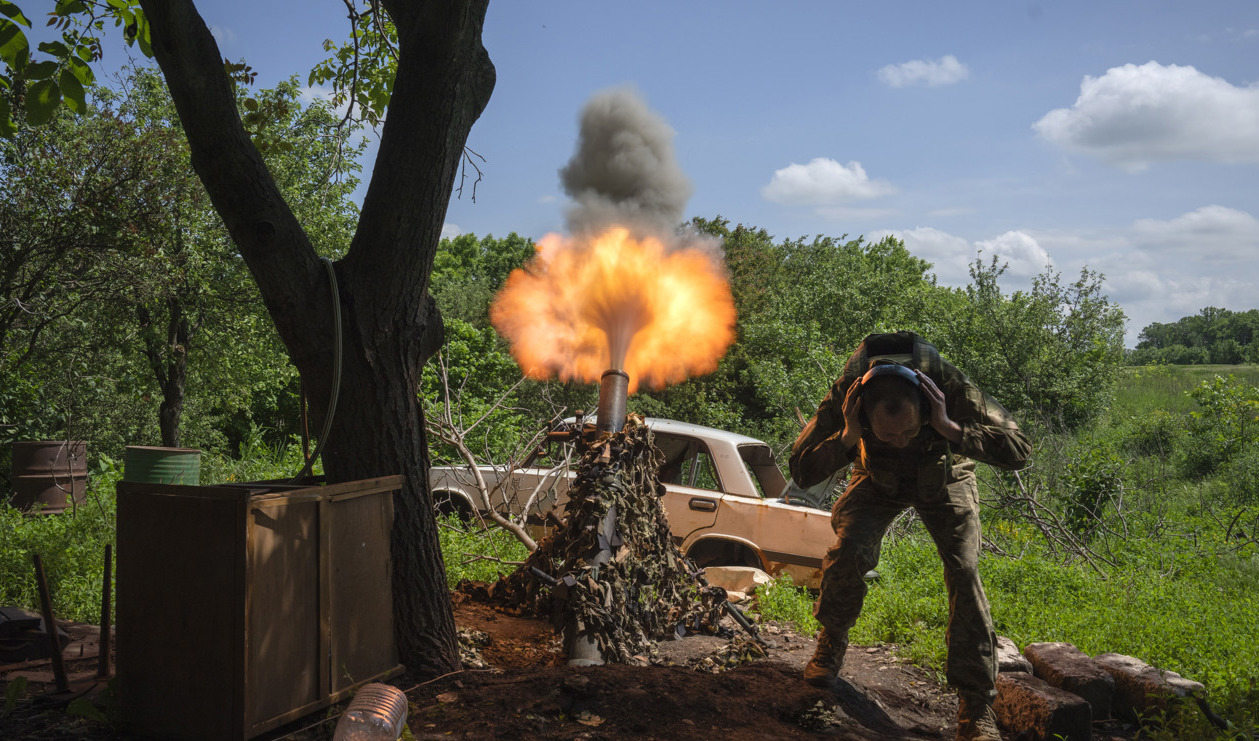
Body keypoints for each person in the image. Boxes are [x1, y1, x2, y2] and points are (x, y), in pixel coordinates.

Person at [789, 331, 1031, 741]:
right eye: (888, 435)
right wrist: (848, 436)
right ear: (863, 412)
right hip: (876, 477)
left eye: (907, 432)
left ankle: (976, 707)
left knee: (965, 571)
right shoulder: (848, 392)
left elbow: (1019, 448)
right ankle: (832, 640)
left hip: (944, 475)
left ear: (927, 404)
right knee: (849, 549)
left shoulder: (948, 385)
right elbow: (801, 468)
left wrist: (949, 427)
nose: (899, 441)